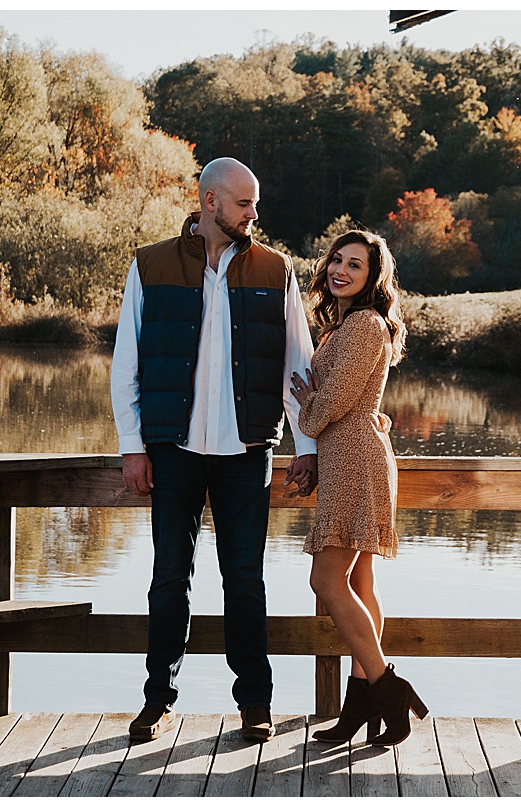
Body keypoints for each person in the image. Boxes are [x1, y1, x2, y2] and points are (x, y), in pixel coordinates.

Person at [110, 157, 319, 744]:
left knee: (245, 580)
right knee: (168, 577)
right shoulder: (150, 265)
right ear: (209, 202)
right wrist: (133, 447)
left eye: (255, 204)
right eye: (245, 203)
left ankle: (254, 702)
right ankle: (157, 700)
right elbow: (127, 363)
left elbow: (296, 367)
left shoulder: (275, 269)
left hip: (246, 452)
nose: (255, 214)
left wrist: (305, 446)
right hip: (171, 451)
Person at [289, 229, 427, 746]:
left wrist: (307, 403)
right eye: (337, 260)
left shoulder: (366, 326)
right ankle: (360, 703)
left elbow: (328, 407)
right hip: (349, 457)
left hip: (356, 461)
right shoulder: (346, 326)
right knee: (362, 584)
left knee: (326, 582)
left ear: (374, 278)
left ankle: (391, 688)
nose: (340, 271)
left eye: (356, 265)